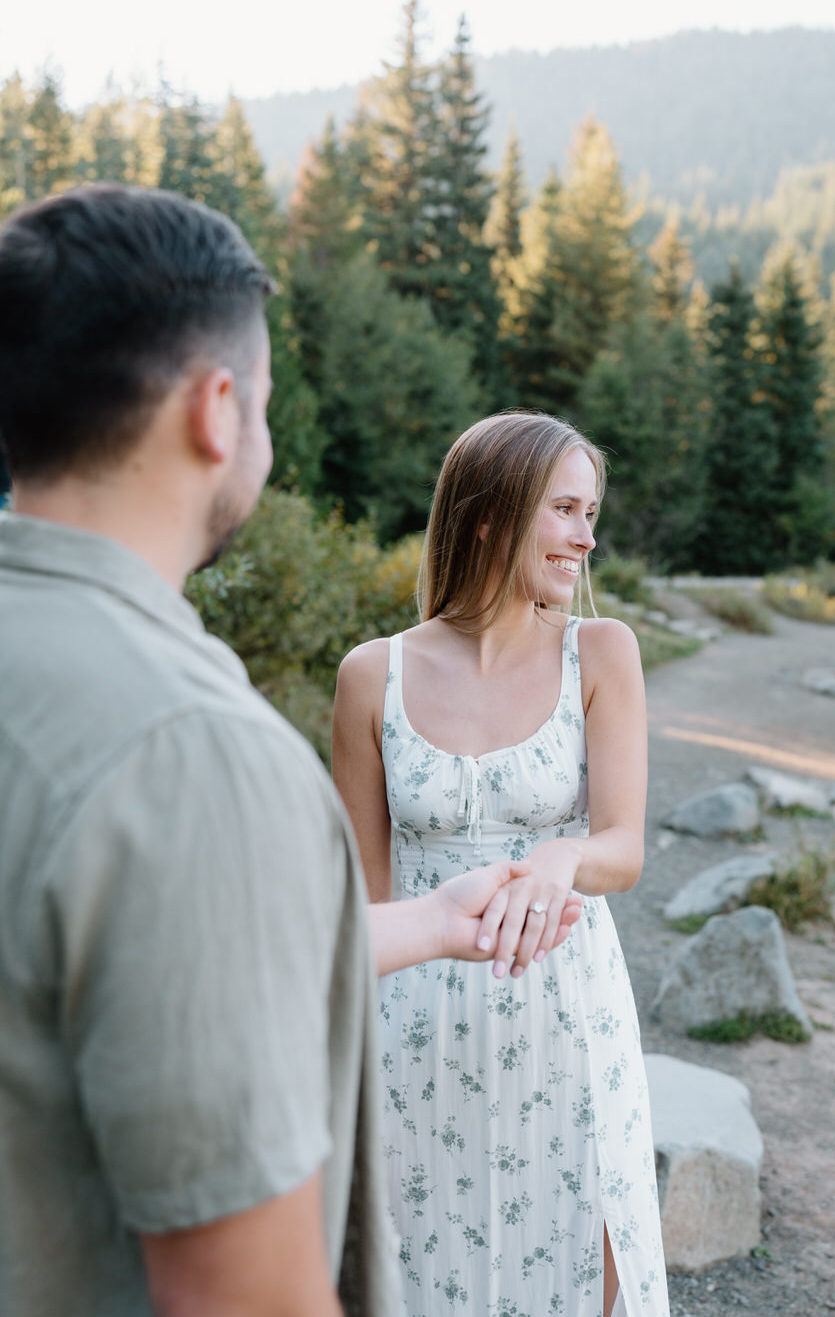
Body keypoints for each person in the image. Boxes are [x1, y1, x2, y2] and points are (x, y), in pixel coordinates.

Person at [0, 186, 581, 1317]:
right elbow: (242, 1294)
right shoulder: (191, 758)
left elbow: (128, 955)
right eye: (264, 402)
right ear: (219, 411)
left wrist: (429, 919)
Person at [333, 412, 671, 1317]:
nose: (586, 536)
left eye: (589, 511)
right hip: (418, 1029)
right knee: (420, 1275)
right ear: (491, 513)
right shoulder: (373, 675)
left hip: (569, 1008)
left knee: (583, 1273)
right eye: (565, 509)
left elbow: (624, 847)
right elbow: (363, 902)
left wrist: (564, 857)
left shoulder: (602, 653)